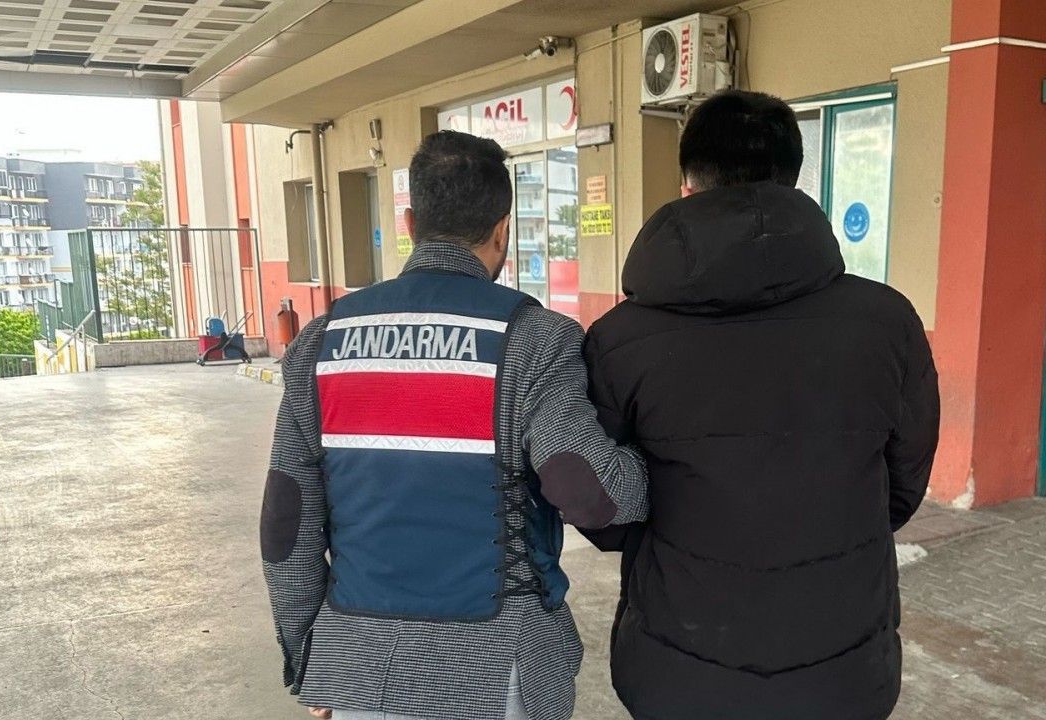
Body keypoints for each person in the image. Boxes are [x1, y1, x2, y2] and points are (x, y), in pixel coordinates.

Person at [260, 130, 648, 720]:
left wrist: (309, 656)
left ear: (411, 224)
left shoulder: (321, 342)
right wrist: (660, 463)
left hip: (359, 669)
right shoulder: (535, 340)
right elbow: (592, 493)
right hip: (497, 671)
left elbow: (286, 524)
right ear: (502, 231)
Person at [583, 90, 940, 720]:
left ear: (688, 186)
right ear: (794, 181)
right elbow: (902, 488)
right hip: (843, 670)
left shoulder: (618, 339)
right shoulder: (888, 322)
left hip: (678, 670)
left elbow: (606, 511)